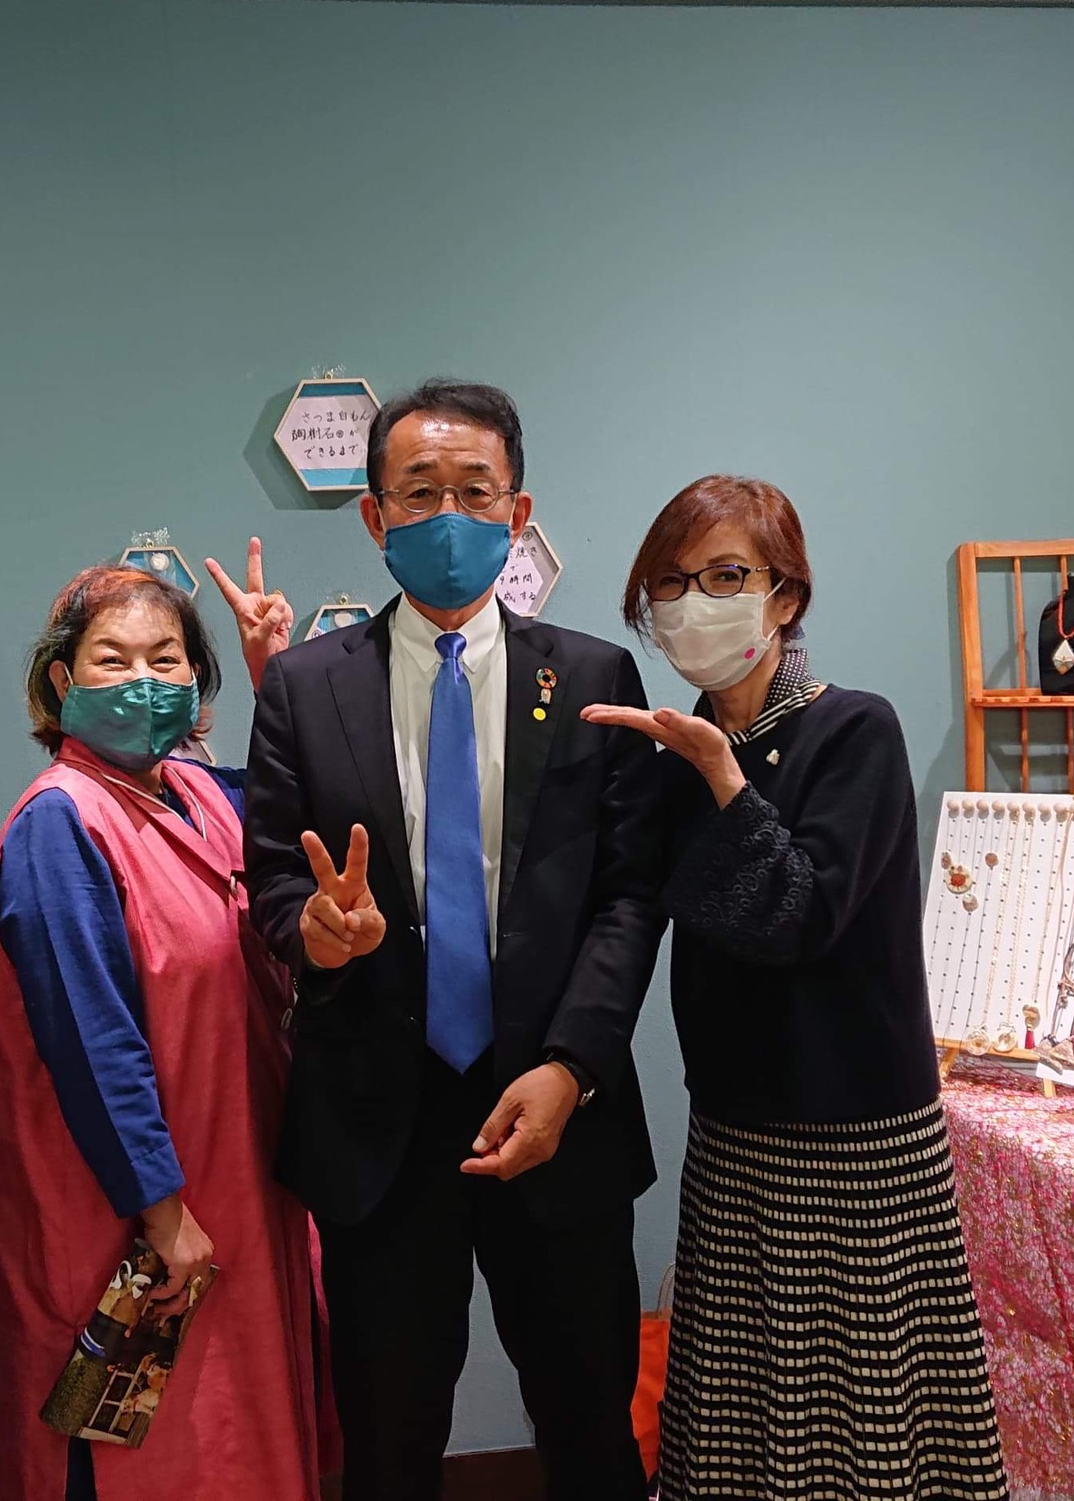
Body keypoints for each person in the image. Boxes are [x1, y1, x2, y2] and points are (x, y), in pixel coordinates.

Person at [243, 380, 667, 1501]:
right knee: (387, 1445)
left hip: (557, 1109)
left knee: (590, 1427)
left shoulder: (592, 676)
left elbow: (630, 896)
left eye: (475, 493)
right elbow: (274, 879)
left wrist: (572, 1065)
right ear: (374, 517)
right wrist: (316, 935)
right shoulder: (303, 688)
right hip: (378, 1124)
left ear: (517, 513)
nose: (448, 516)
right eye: (419, 492)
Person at [581, 476, 1010, 1501]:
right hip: (735, 1126)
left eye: (727, 575)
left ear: (786, 595)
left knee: (870, 1422)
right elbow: (631, 908)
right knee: (743, 1416)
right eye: (671, 583)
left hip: (859, 1132)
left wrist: (726, 781)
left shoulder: (854, 730)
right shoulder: (675, 754)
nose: (695, 603)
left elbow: (799, 917)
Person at [0, 555, 325, 1501]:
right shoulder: (62, 822)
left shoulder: (202, 796)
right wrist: (161, 1207)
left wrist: (273, 670)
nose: (143, 680)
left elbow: (310, 802)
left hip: (239, 1180)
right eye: (113, 658)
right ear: (62, 678)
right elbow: (90, 1036)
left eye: (166, 659)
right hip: (132, 1211)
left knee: (243, 1444)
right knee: (143, 1453)